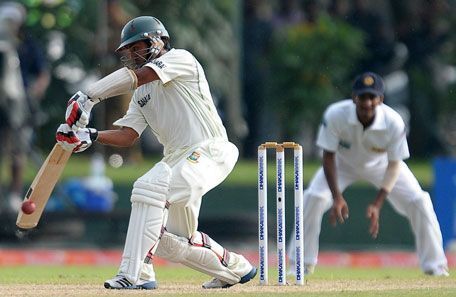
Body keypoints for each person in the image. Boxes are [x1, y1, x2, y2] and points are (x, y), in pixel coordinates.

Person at [55, 16, 256, 290]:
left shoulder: (180, 59)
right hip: (176, 159)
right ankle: (236, 268)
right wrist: (89, 136)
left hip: (210, 150)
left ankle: (135, 274)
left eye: (138, 47)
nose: (133, 54)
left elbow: (140, 75)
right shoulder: (141, 93)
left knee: (149, 187)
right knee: (170, 242)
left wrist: (87, 96)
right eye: (129, 50)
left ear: (159, 41)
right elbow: (128, 135)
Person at [287, 72, 449, 276]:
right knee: (313, 197)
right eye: (362, 97)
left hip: (381, 165)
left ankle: (435, 265)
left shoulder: (393, 122)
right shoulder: (335, 115)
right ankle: (300, 264)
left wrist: (378, 203)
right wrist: (336, 197)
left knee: (420, 201)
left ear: (380, 99)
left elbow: (394, 164)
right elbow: (328, 157)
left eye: (372, 97)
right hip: (341, 164)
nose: (367, 103)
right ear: (354, 97)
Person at [0, 1, 50, 212]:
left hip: (21, 107)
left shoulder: (28, 44)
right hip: (2, 106)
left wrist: (33, 94)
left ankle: (14, 195)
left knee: (18, 152)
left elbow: (42, 74)